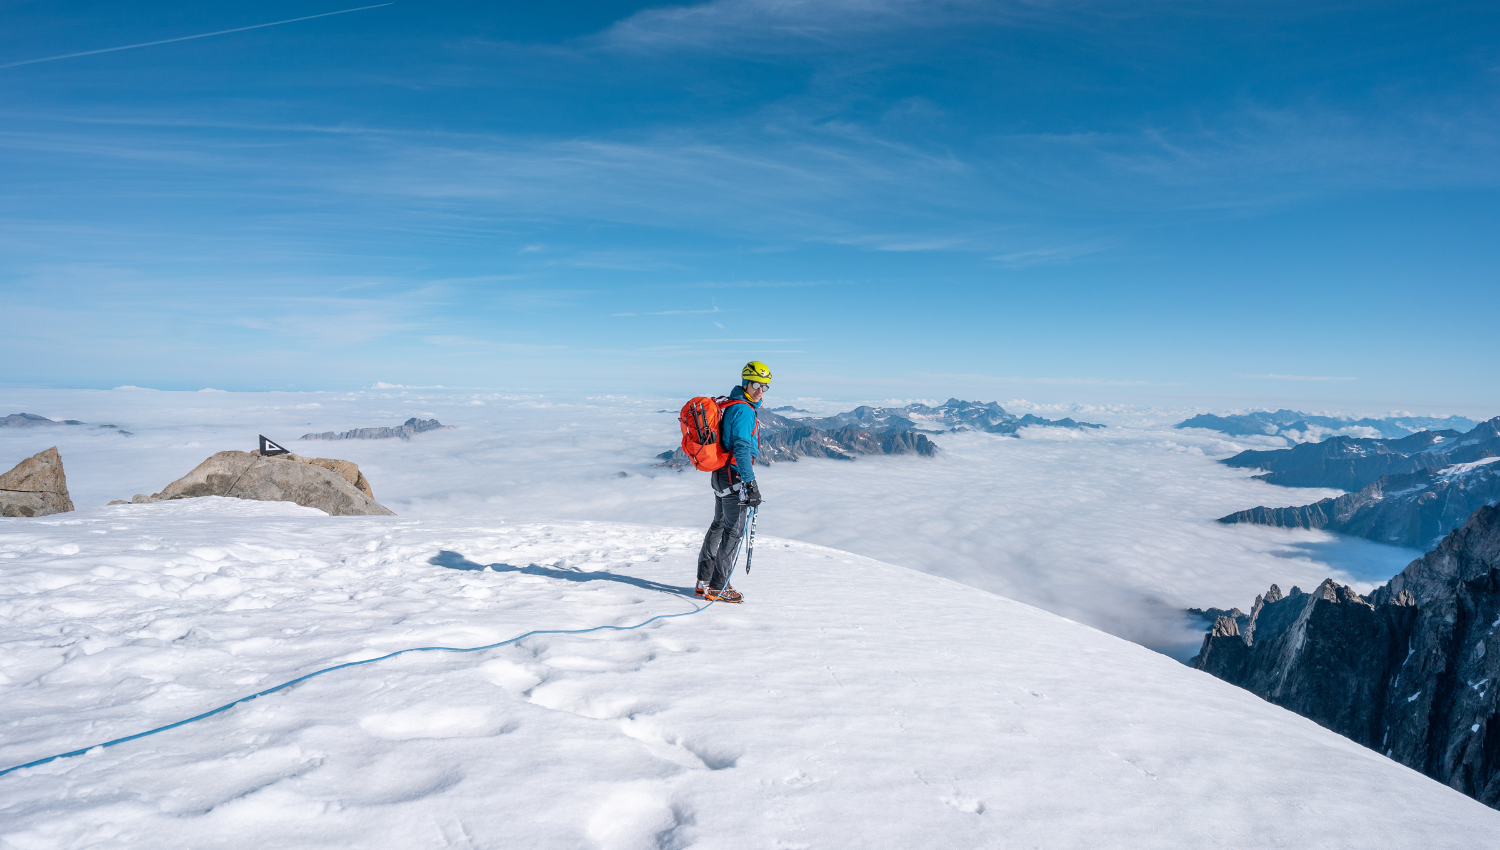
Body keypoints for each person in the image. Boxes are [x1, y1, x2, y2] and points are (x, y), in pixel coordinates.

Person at [696, 361, 770, 603]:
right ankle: (719, 586)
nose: (760, 390)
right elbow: (741, 447)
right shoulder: (744, 410)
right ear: (745, 382)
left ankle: (703, 582)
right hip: (734, 476)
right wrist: (750, 483)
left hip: (720, 475)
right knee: (734, 532)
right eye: (756, 385)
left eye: (765, 387)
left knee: (718, 526)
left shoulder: (731, 404)